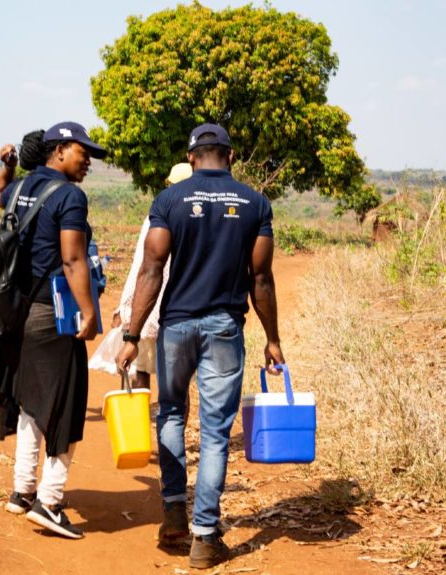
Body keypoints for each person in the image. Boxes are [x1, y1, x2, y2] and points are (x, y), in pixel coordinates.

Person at [115, 124, 285, 569]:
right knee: (214, 433)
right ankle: (206, 537)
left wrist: (132, 336)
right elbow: (261, 279)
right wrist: (272, 339)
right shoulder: (255, 203)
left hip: (175, 327)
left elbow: (151, 270)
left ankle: (173, 513)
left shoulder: (169, 200)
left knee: (170, 413)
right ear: (230, 156)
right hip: (225, 327)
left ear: (191, 158)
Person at [0, 121, 105, 540]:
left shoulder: (20, 187)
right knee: (65, 404)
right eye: (82, 151)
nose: (88, 159)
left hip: (15, 314)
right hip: (52, 314)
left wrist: (7, 167)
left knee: (30, 401)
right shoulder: (70, 196)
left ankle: (22, 490)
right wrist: (89, 314)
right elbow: (73, 260)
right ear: (58, 151)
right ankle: (50, 501)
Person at [112, 162, 192, 389]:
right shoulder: (203, 216)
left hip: (151, 308)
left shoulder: (159, 214)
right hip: (183, 310)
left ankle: (139, 422)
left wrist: (126, 307)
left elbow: (143, 266)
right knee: (177, 381)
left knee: (142, 370)